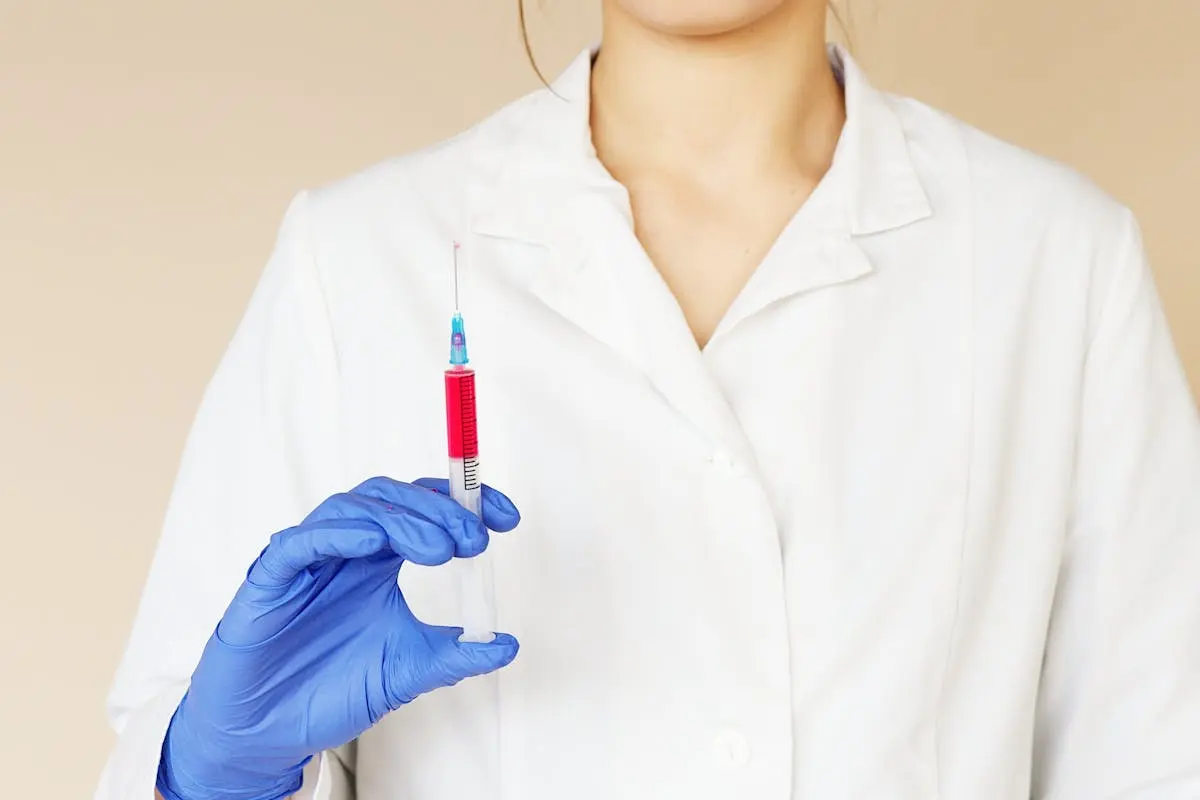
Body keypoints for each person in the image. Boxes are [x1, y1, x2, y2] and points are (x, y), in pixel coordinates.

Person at [96, 0, 1200, 798]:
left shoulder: (1055, 260)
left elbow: (1160, 760)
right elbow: (166, 740)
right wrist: (208, 776)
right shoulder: (354, 263)